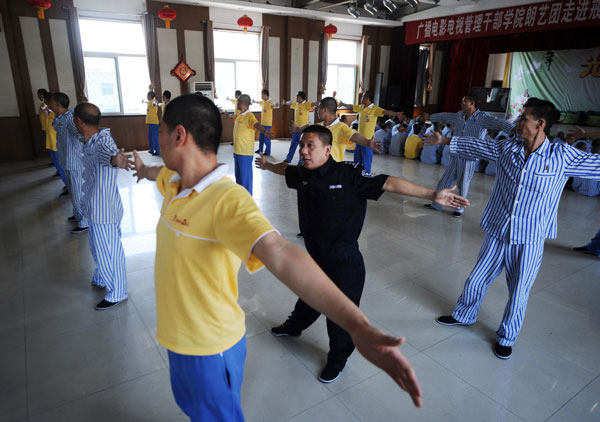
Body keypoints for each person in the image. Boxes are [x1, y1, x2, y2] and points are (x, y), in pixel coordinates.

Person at [131, 94, 423, 420]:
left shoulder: (227, 200)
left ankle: (338, 353)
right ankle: (295, 325)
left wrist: (356, 323)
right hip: (176, 339)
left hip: (208, 348)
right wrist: (140, 168)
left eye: (161, 133)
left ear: (179, 135)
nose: (307, 151)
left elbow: (281, 253)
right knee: (193, 410)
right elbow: (158, 171)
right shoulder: (174, 182)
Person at [256, 124, 469, 384]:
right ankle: (293, 327)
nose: (304, 150)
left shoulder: (348, 175)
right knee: (309, 297)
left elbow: (388, 183)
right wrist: (267, 165)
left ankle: (337, 359)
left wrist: (432, 194)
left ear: (327, 149)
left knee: (341, 316)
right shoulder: (302, 173)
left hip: (345, 260)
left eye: (310, 145)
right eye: (302, 145)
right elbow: (285, 170)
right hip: (315, 256)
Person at [424, 98, 600, 359]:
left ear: (540, 124)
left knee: (519, 290)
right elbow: (480, 146)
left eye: (523, 118)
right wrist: (446, 141)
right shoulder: (509, 148)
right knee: (477, 278)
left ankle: (507, 336)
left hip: (529, 237)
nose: (517, 123)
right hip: (498, 228)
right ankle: (464, 314)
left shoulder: (562, 156)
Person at [73, 103, 131, 310]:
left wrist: (117, 160)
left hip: (103, 210)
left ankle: (117, 292)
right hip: (97, 206)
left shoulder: (102, 141)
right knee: (99, 247)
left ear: (78, 120)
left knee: (108, 250)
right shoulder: (91, 139)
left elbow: (108, 155)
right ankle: (101, 276)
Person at [424, 95, 515, 218]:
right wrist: (431, 117)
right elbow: (445, 116)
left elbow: (499, 123)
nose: (461, 104)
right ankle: (436, 204)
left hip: (469, 156)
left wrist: (516, 131)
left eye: (464, 101)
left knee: (463, 183)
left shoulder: (483, 118)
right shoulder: (459, 116)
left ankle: (459, 208)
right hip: (455, 153)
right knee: (445, 180)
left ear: (472, 103)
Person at [50, 92, 89, 233]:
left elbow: (81, 133)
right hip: (67, 161)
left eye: (52, 103)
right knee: (73, 190)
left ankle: (84, 221)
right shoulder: (60, 118)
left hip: (75, 162)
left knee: (78, 191)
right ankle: (78, 214)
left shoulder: (70, 119)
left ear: (58, 104)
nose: (50, 105)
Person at [338, 92, 404, 172]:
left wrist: (396, 114)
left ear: (367, 99)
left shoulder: (375, 109)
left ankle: (366, 177)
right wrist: (343, 104)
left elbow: (386, 111)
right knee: (357, 162)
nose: (361, 99)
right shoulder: (361, 107)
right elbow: (351, 106)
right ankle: (357, 177)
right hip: (359, 139)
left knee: (366, 163)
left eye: (362, 97)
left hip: (369, 141)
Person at [315, 97, 381, 162]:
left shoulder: (341, 127)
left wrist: (368, 142)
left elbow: (353, 136)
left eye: (319, 109)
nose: (317, 111)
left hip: (333, 169)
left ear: (325, 110)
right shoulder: (317, 126)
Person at [232, 94, 271, 195]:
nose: (237, 103)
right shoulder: (239, 115)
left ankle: (248, 197)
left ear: (245, 104)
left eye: (239, 102)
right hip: (236, 151)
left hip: (245, 153)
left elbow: (256, 124)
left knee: (246, 178)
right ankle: (241, 196)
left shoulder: (250, 116)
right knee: (238, 176)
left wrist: (264, 131)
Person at [281, 91, 312, 163]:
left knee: (302, 146)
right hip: (296, 129)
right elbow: (290, 103)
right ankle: (288, 159)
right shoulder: (296, 104)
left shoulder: (306, 104)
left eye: (298, 97)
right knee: (293, 145)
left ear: (302, 98)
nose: (296, 99)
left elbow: (313, 104)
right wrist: (285, 102)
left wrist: (320, 103)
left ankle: (301, 161)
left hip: (303, 129)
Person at [253, 89, 278, 156]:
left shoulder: (270, 102)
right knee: (261, 138)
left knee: (266, 138)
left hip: (267, 124)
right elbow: (258, 102)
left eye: (262, 95)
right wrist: (254, 101)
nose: (261, 96)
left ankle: (268, 151)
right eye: (261, 95)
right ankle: (260, 149)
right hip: (262, 124)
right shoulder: (263, 102)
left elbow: (273, 105)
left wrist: (275, 105)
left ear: (266, 95)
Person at [144, 91, 160, 155]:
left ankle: (157, 150)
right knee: (150, 137)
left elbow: (156, 103)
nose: (147, 97)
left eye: (148, 96)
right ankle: (151, 149)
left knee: (155, 138)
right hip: (150, 123)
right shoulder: (149, 102)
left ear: (150, 96)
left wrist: (155, 102)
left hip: (154, 123)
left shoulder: (153, 102)